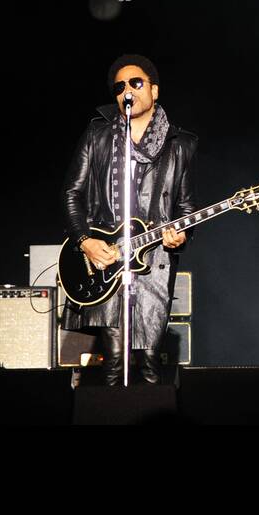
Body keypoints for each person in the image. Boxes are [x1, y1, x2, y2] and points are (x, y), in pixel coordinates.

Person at [61, 54, 198, 385]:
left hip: (153, 258)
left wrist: (182, 233)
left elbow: (186, 207)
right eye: (119, 85)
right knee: (113, 365)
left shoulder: (180, 144)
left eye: (136, 82)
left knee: (151, 366)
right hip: (107, 256)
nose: (127, 89)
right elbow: (71, 194)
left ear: (154, 90)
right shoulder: (97, 136)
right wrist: (86, 242)